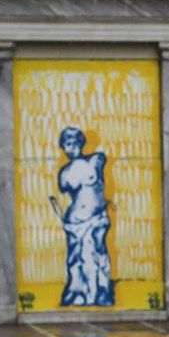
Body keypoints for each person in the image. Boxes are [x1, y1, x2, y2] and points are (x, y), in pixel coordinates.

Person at [55, 126, 114, 307]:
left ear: (81, 143)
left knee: (99, 253)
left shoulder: (96, 160)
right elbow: (66, 186)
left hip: (96, 218)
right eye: (67, 144)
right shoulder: (64, 173)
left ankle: (102, 290)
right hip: (75, 221)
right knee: (76, 258)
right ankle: (78, 291)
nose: (71, 148)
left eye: (74, 143)